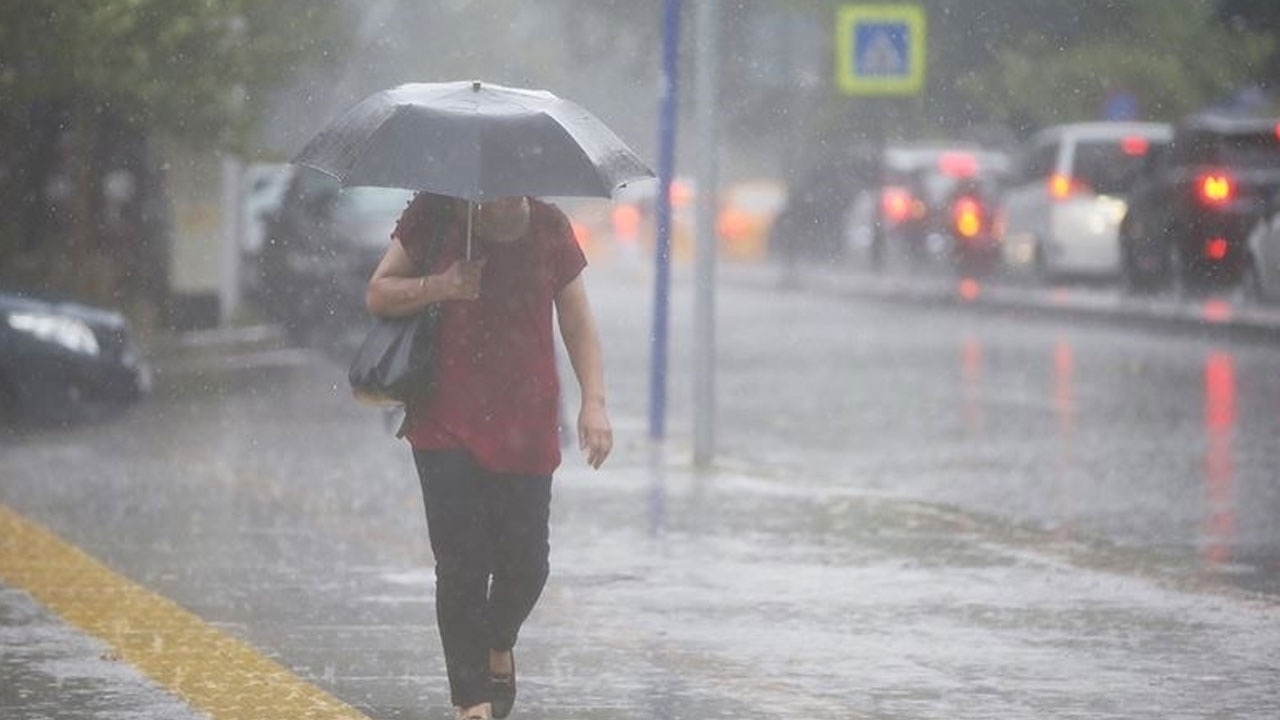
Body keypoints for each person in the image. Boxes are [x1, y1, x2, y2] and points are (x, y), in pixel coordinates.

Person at [365, 192, 613, 720]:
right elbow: (379, 293)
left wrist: (594, 401)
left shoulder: (549, 226)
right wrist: (443, 285)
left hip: (527, 420)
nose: (504, 193)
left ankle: (499, 641)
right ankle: (471, 700)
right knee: (461, 565)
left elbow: (576, 321)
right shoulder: (435, 214)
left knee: (528, 564)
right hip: (444, 418)